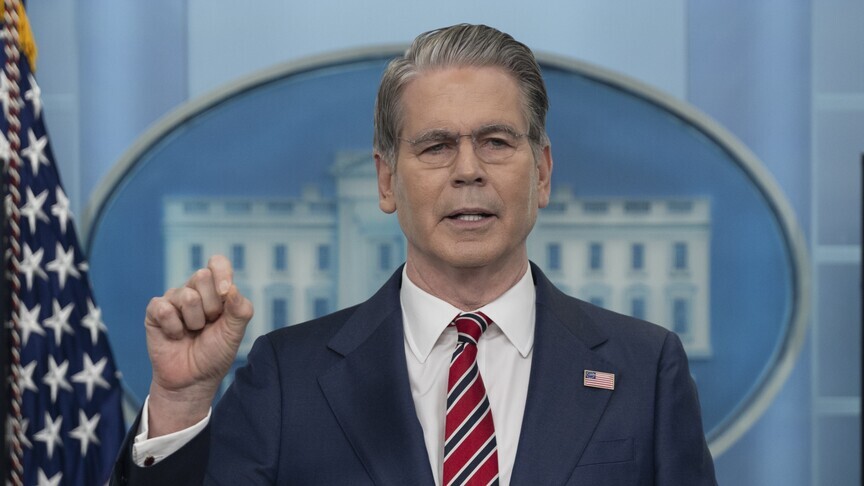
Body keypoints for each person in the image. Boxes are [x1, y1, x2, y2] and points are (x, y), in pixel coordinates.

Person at [111, 23, 717, 485]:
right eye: (436, 147)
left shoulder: (645, 369)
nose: (468, 170)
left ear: (542, 172)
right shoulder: (286, 378)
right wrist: (180, 404)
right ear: (385, 181)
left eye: (496, 141)